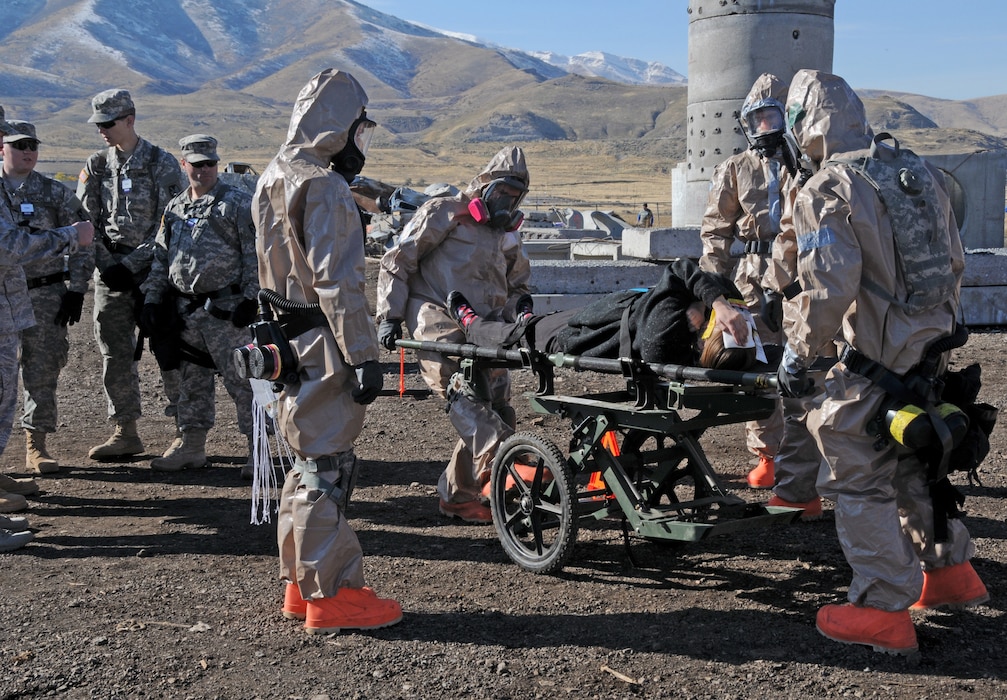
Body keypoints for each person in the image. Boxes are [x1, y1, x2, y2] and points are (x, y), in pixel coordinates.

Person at [776, 69, 987, 655]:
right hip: (929, 356)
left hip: (871, 361)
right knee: (916, 461)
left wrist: (801, 354)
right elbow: (956, 263)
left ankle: (881, 609)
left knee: (857, 476)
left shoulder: (829, 188)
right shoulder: (914, 172)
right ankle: (950, 573)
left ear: (802, 126)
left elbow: (827, 288)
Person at [255, 68, 401, 634]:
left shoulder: (273, 176)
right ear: (339, 128)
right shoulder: (326, 186)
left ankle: (300, 583)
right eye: (359, 132)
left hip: (287, 341)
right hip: (324, 342)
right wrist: (364, 356)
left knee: (303, 461)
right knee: (327, 469)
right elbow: (340, 283)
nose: (360, 146)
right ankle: (334, 595)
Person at [376, 145, 533, 524]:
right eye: (501, 194)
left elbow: (518, 285)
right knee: (461, 394)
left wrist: (520, 318)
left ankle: (458, 496)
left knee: (496, 403)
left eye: (514, 197)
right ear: (483, 187)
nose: (506, 204)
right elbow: (399, 259)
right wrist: (389, 315)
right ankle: (507, 460)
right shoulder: (444, 213)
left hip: (486, 326)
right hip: (437, 317)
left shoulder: (505, 236)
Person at [0, 106, 94, 550]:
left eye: (33, 145)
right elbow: (16, 245)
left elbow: (85, 235)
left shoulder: (53, 192)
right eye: (19, 145)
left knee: (42, 371)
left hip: (43, 294)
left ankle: (35, 444)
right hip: (11, 290)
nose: (28, 152)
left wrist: (77, 287)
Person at [76, 88, 187, 462]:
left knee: (169, 350)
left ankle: (185, 432)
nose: (102, 130)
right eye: (98, 124)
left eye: (108, 123)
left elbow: (171, 224)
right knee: (114, 353)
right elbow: (84, 221)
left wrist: (134, 263)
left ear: (130, 119)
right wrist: (106, 264)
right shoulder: (97, 165)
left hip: (154, 272)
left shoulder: (162, 164)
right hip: (111, 275)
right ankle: (125, 430)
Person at [140, 135, 258, 474]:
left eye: (210, 163)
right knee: (190, 382)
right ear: (184, 164)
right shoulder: (175, 208)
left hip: (228, 311)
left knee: (244, 382)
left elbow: (255, 255)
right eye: (197, 164)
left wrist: (251, 299)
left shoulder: (235, 203)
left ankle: (258, 450)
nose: (204, 170)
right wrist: (152, 299)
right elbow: (161, 258)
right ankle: (191, 446)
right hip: (185, 313)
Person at [699, 73, 791, 490]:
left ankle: (815, 455)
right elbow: (716, 232)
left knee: (819, 362)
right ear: (746, 125)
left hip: (805, 274)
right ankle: (767, 456)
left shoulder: (806, 166)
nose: (766, 129)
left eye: (773, 118)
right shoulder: (734, 169)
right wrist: (713, 293)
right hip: (754, 275)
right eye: (758, 121)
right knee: (761, 365)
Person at [454, 257, 754, 371]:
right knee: (547, 322)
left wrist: (716, 304)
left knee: (528, 338)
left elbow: (680, 268)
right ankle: (528, 319)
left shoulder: (665, 332)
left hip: (591, 336)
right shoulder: (693, 336)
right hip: (605, 315)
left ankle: (472, 324)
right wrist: (707, 304)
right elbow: (718, 283)